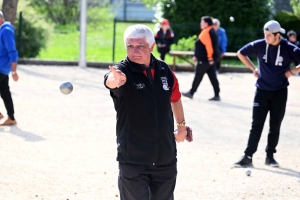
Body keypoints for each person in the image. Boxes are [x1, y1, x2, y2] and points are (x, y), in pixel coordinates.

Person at [104, 24, 190, 200]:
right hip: (133, 159)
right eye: (130, 46)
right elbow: (110, 81)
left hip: (165, 158)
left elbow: (175, 98)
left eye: (140, 46)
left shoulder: (164, 70)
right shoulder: (122, 71)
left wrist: (181, 126)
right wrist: (114, 80)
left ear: (152, 46)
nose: (134, 50)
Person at [234, 20, 300, 168]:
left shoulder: (288, 48)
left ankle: (270, 156)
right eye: (265, 34)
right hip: (262, 91)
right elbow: (240, 53)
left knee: (275, 126)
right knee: (256, 124)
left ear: (278, 35)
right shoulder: (261, 44)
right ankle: (248, 156)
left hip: (280, 92)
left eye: (269, 35)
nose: (266, 38)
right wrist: (253, 69)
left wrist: (291, 71)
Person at [181, 16, 221, 101]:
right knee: (212, 76)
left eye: (202, 22)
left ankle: (191, 93)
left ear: (206, 23)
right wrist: (197, 55)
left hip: (206, 59)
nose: (200, 24)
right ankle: (217, 94)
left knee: (198, 75)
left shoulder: (207, 31)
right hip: (209, 59)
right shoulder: (210, 30)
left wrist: (210, 58)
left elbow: (209, 46)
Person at [0, 11, 19, 126]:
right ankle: (11, 118)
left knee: (5, 91)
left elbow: (12, 51)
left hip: (2, 67)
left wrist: (14, 71)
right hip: (2, 67)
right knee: (4, 92)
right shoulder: (2, 30)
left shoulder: (6, 31)